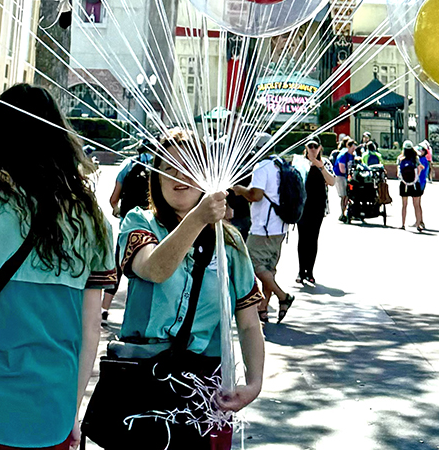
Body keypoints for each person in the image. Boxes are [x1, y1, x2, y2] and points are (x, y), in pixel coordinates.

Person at [0, 84, 116, 450]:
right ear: (59, 139)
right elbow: (91, 328)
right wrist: (72, 411)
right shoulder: (90, 219)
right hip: (52, 413)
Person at [97, 128, 266, 447]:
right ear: (156, 179)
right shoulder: (140, 222)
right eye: (169, 169)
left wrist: (254, 383)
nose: (179, 177)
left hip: (203, 391)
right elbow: (153, 268)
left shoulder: (229, 243)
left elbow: (247, 321)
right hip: (142, 383)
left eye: (188, 168)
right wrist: (197, 219)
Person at [230, 150, 295, 323]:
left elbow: (256, 195)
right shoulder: (281, 164)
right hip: (281, 226)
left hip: (263, 227)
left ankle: (283, 296)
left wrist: (240, 190)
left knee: (251, 263)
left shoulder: (261, 166)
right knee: (269, 268)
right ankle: (263, 308)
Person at [296, 139, 335, 286]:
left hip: (318, 206)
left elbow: (332, 182)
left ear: (320, 148)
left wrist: (321, 167)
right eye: (310, 146)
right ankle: (301, 271)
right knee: (302, 238)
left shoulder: (325, 163)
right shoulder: (300, 162)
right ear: (306, 147)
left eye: (315, 146)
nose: (313, 149)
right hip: (303, 206)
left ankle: (310, 272)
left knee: (313, 239)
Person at [397, 142, 425, 231]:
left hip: (404, 184)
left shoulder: (400, 159)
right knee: (416, 205)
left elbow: (398, 173)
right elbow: (419, 170)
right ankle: (418, 224)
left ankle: (403, 224)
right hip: (415, 184)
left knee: (404, 205)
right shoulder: (416, 159)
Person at [334, 136, 356, 223]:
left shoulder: (353, 155)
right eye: (353, 148)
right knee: (344, 195)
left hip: (348, 176)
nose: (354, 150)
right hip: (340, 176)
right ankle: (342, 213)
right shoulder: (343, 155)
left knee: (348, 195)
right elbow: (342, 169)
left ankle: (348, 212)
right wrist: (348, 176)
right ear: (348, 147)